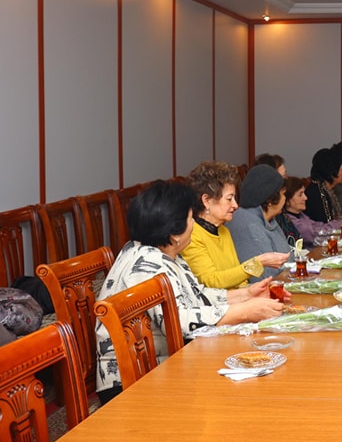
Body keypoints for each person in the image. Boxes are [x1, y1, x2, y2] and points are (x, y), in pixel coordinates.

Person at [95, 180, 285, 404]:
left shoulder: (164, 252)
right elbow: (179, 321)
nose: (193, 224)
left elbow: (198, 294)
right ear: (174, 231)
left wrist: (248, 294)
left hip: (165, 362)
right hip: (131, 380)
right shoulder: (146, 265)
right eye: (189, 218)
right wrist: (244, 312)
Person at [181, 161, 288, 289]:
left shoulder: (223, 230)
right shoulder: (192, 235)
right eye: (229, 199)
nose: (235, 205)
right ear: (206, 200)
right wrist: (258, 263)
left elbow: (240, 282)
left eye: (235, 198)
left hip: (238, 300)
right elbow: (211, 281)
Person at [225, 164, 289, 280]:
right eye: (283, 194)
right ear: (270, 200)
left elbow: (289, 258)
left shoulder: (268, 218)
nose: (285, 198)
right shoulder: (248, 225)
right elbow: (265, 276)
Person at [284, 176, 342, 247]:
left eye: (304, 193)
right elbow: (318, 232)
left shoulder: (301, 215)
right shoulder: (290, 221)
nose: (305, 198)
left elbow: (322, 226)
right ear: (287, 200)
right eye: (300, 195)